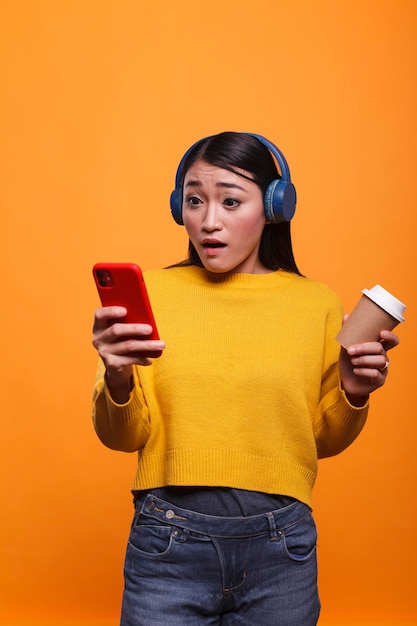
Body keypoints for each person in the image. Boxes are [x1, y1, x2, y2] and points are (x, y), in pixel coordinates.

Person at [91, 132, 399, 625]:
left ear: (275, 207)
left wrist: (354, 393)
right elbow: (121, 436)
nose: (209, 221)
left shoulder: (315, 303)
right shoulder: (153, 294)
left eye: (231, 201)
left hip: (283, 550)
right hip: (168, 542)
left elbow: (320, 440)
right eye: (194, 201)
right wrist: (117, 376)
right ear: (178, 208)